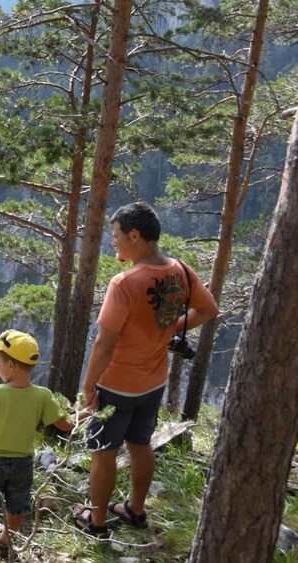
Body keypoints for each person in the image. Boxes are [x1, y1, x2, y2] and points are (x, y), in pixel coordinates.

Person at [74, 202, 219, 538]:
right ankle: (135, 510)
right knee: (140, 444)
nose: (113, 243)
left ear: (135, 236)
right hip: (153, 383)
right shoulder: (180, 270)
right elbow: (208, 308)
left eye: (116, 236)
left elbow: (104, 344)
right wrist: (171, 328)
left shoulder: (124, 283)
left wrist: (89, 386)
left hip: (117, 384)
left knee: (103, 452)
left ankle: (96, 523)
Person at [0, 330, 76, 563]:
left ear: (11, 365)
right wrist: (83, 411)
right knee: (18, 507)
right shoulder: (43, 396)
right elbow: (66, 424)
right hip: (23, 463)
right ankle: (6, 541)